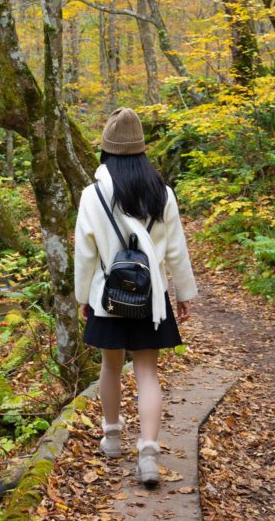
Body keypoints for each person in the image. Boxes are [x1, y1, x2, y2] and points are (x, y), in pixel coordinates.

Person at [73, 106, 198, 489]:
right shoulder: (163, 193)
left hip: (108, 298)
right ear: (143, 150)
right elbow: (176, 249)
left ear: (106, 152)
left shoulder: (92, 196)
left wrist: (83, 296)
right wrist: (183, 292)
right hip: (152, 300)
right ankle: (148, 453)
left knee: (111, 367)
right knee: (147, 372)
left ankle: (112, 439)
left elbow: (85, 253)